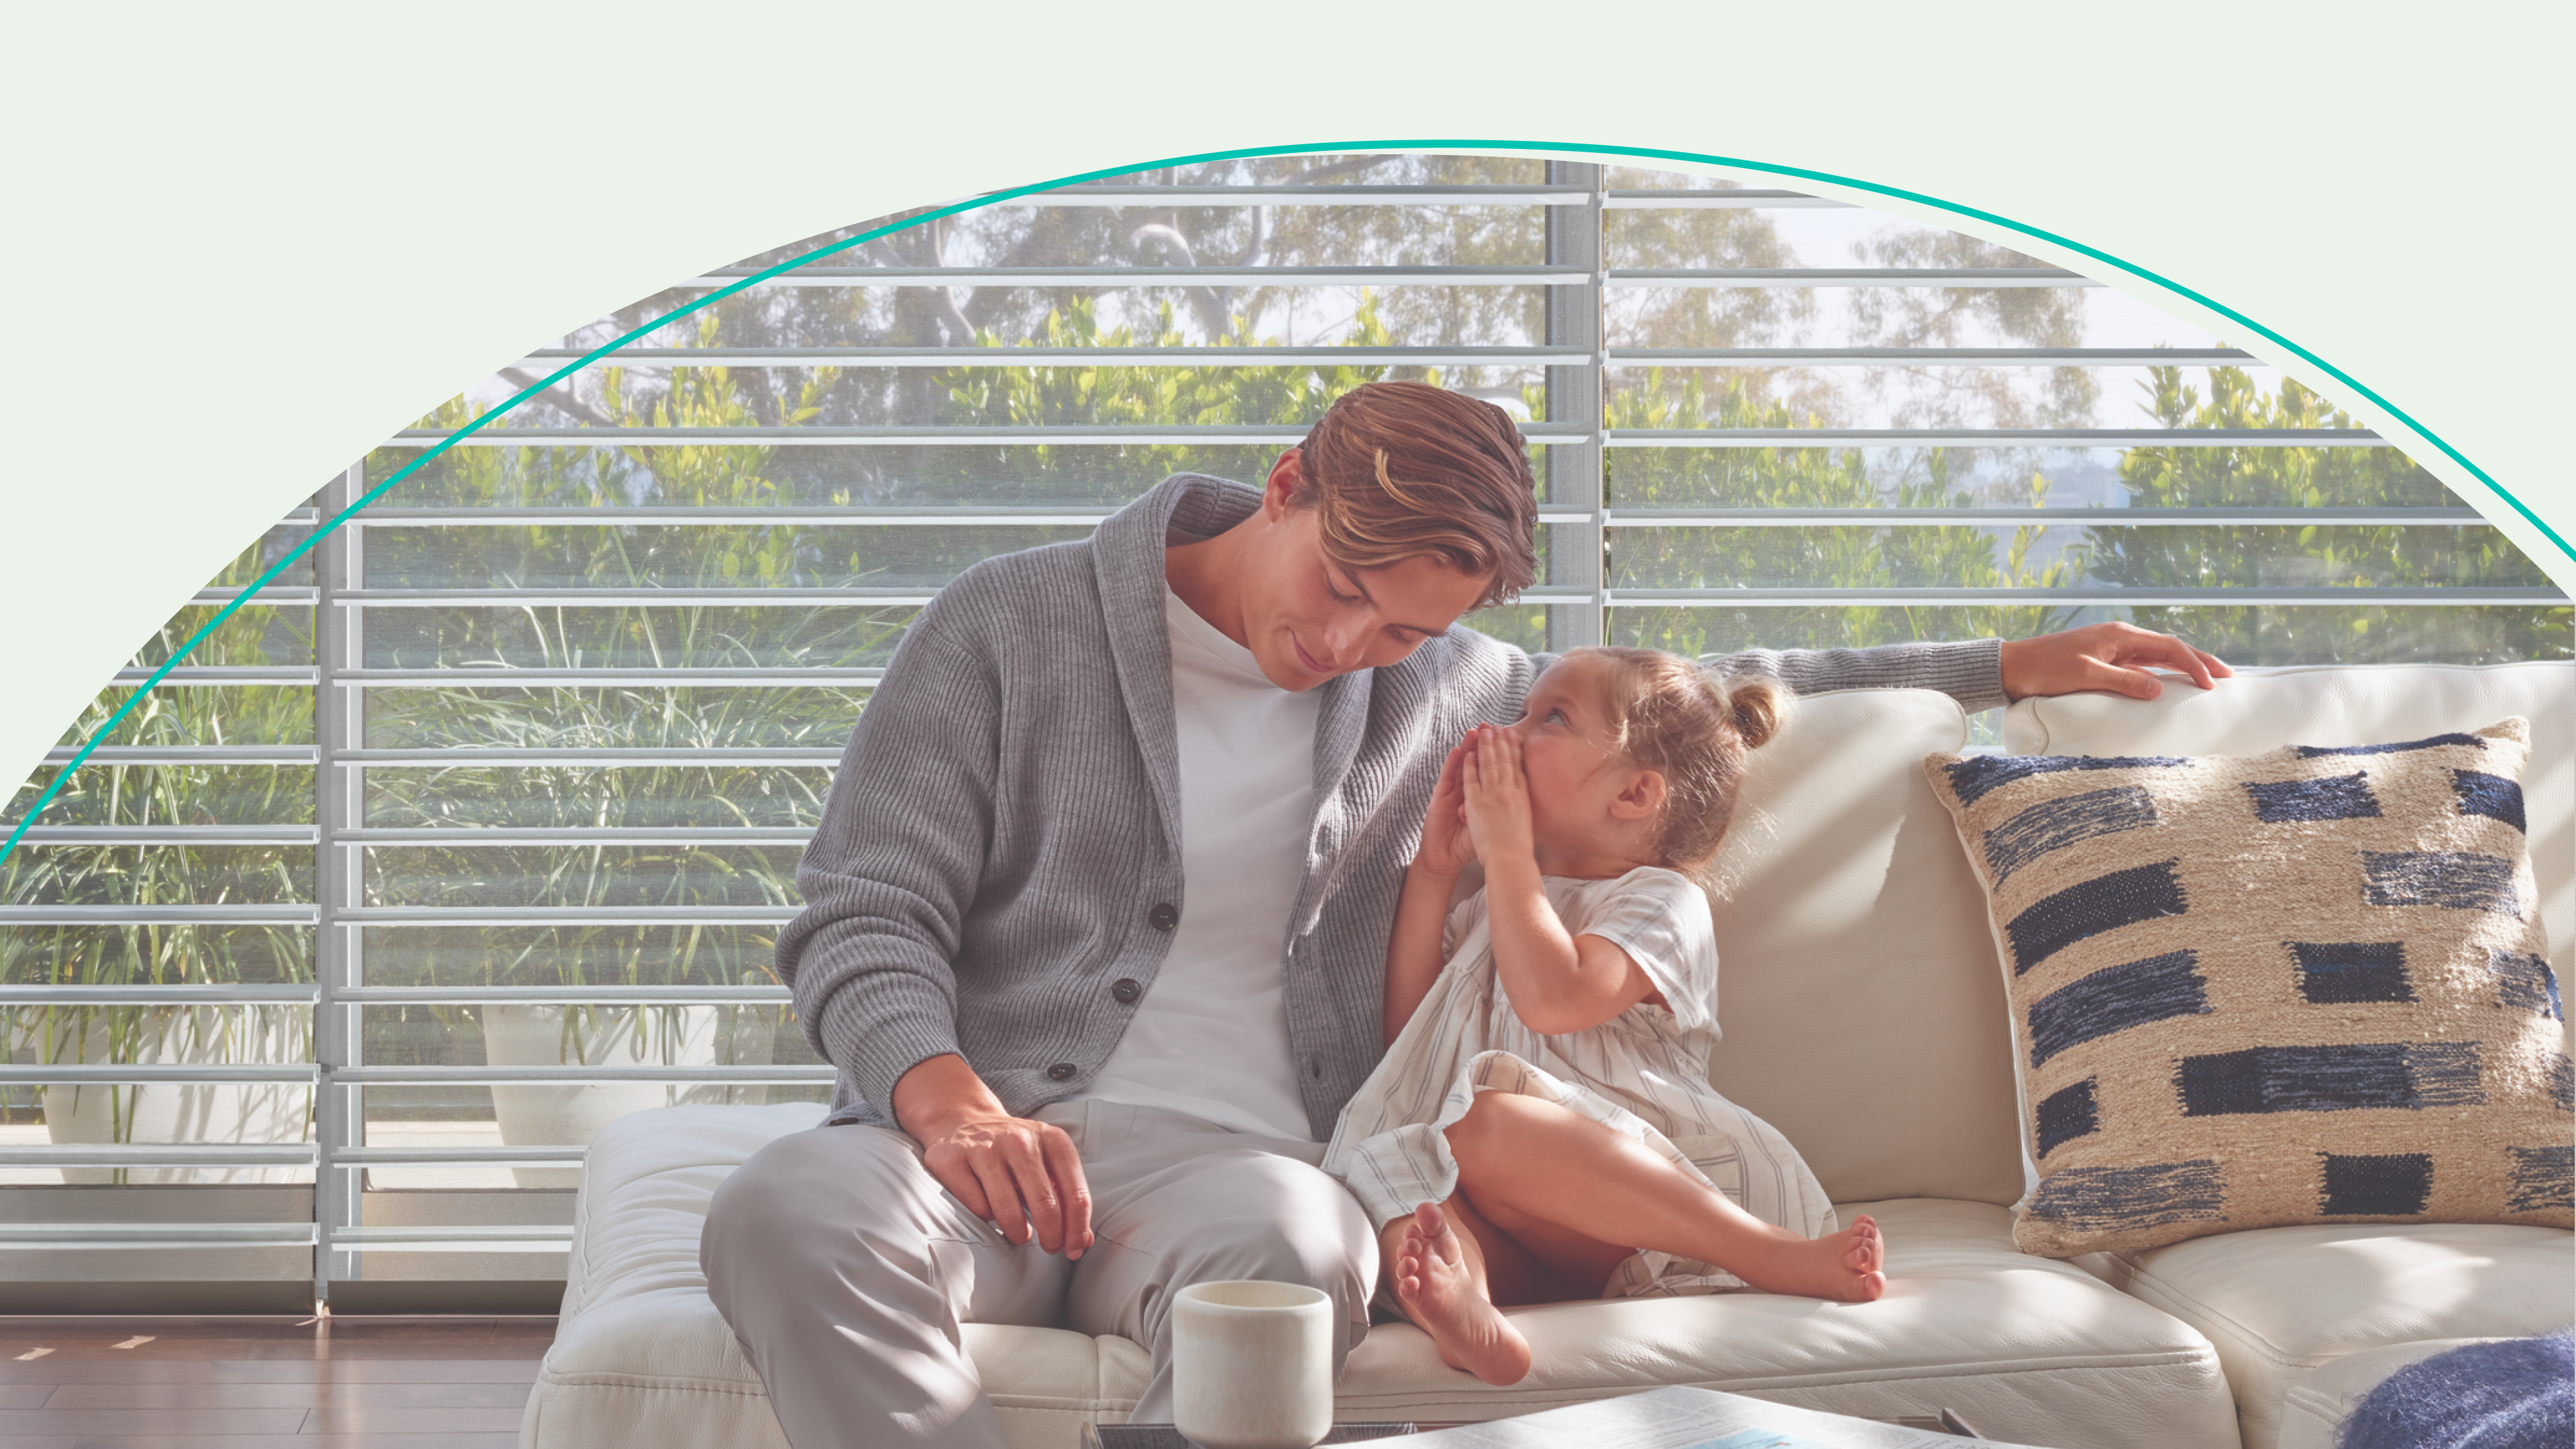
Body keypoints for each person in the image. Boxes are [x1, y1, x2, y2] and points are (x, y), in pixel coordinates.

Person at [698, 382, 2229, 1449]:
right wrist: (945, 1098)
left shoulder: (1449, 697)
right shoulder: (1005, 627)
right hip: (975, 1141)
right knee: (780, 1210)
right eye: (1346, 587)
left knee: (1294, 1252)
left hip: (1237, 1173)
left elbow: (1698, 702)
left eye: (1410, 627)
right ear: (1288, 482)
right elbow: (861, 909)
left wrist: (2007, 666)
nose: (1348, 644)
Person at [1326, 650, 1874, 1391]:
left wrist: (1510, 856)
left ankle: (1764, 1250)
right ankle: (1464, 1305)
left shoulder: (1657, 902)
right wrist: (1433, 868)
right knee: (1384, 1167)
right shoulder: (1498, 904)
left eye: (1550, 717)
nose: (1510, 731)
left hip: (1644, 1208)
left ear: (1636, 793)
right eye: (1523, 710)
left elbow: (1557, 998)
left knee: (1489, 1127)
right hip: (1539, 1244)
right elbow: (1408, 1046)